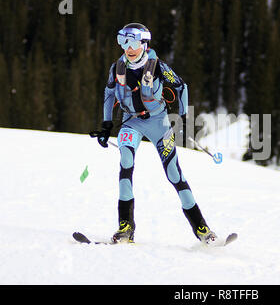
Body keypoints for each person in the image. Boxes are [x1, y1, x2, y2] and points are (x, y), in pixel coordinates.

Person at [90, 23, 216, 244]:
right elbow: (109, 93)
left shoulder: (157, 66)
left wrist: (184, 116)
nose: (128, 48)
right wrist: (107, 125)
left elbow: (181, 86)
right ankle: (125, 227)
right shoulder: (117, 68)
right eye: (123, 42)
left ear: (144, 44)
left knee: (175, 175)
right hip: (132, 122)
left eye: (133, 43)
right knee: (126, 162)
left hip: (159, 123)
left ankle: (202, 230)